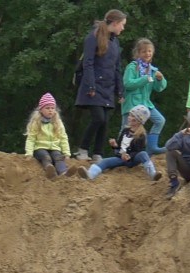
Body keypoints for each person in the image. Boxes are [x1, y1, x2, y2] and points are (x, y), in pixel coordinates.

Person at [74, 9, 127, 162]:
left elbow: (117, 68)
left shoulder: (115, 42)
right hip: (94, 85)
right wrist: (91, 86)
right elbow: (88, 63)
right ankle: (83, 149)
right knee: (98, 118)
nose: (123, 28)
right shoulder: (93, 37)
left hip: (108, 87)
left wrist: (120, 90)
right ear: (115, 23)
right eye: (122, 25)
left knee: (105, 121)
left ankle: (98, 153)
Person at [83, 105, 159, 180]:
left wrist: (128, 156)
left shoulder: (141, 135)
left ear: (139, 120)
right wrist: (114, 145)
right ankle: (90, 175)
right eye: (130, 115)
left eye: (132, 117)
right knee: (104, 161)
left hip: (132, 160)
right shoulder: (125, 130)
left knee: (143, 154)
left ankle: (152, 174)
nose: (129, 118)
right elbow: (119, 147)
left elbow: (138, 150)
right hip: (120, 158)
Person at [122, 39, 168, 154]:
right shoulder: (132, 67)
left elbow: (159, 88)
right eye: (144, 51)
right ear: (138, 53)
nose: (147, 54)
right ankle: (121, 151)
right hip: (132, 104)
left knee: (160, 120)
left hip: (146, 104)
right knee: (126, 128)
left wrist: (160, 79)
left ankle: (151, 148)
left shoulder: (153, 70)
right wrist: (145, 78)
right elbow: (127, 84)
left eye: (149, 51)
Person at [27, 93, 74, 178]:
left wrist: (67, 153)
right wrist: (29, 153)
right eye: (47, 108)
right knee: (46, 157)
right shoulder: (37, 122)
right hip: (40, 148)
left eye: (52, 108)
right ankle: (50, 170)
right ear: (41, 110)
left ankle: (63, 172)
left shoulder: (57, 122)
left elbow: (63, 138)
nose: (50, 110)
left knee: (58, 158)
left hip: (54, 148)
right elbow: (31, 138)